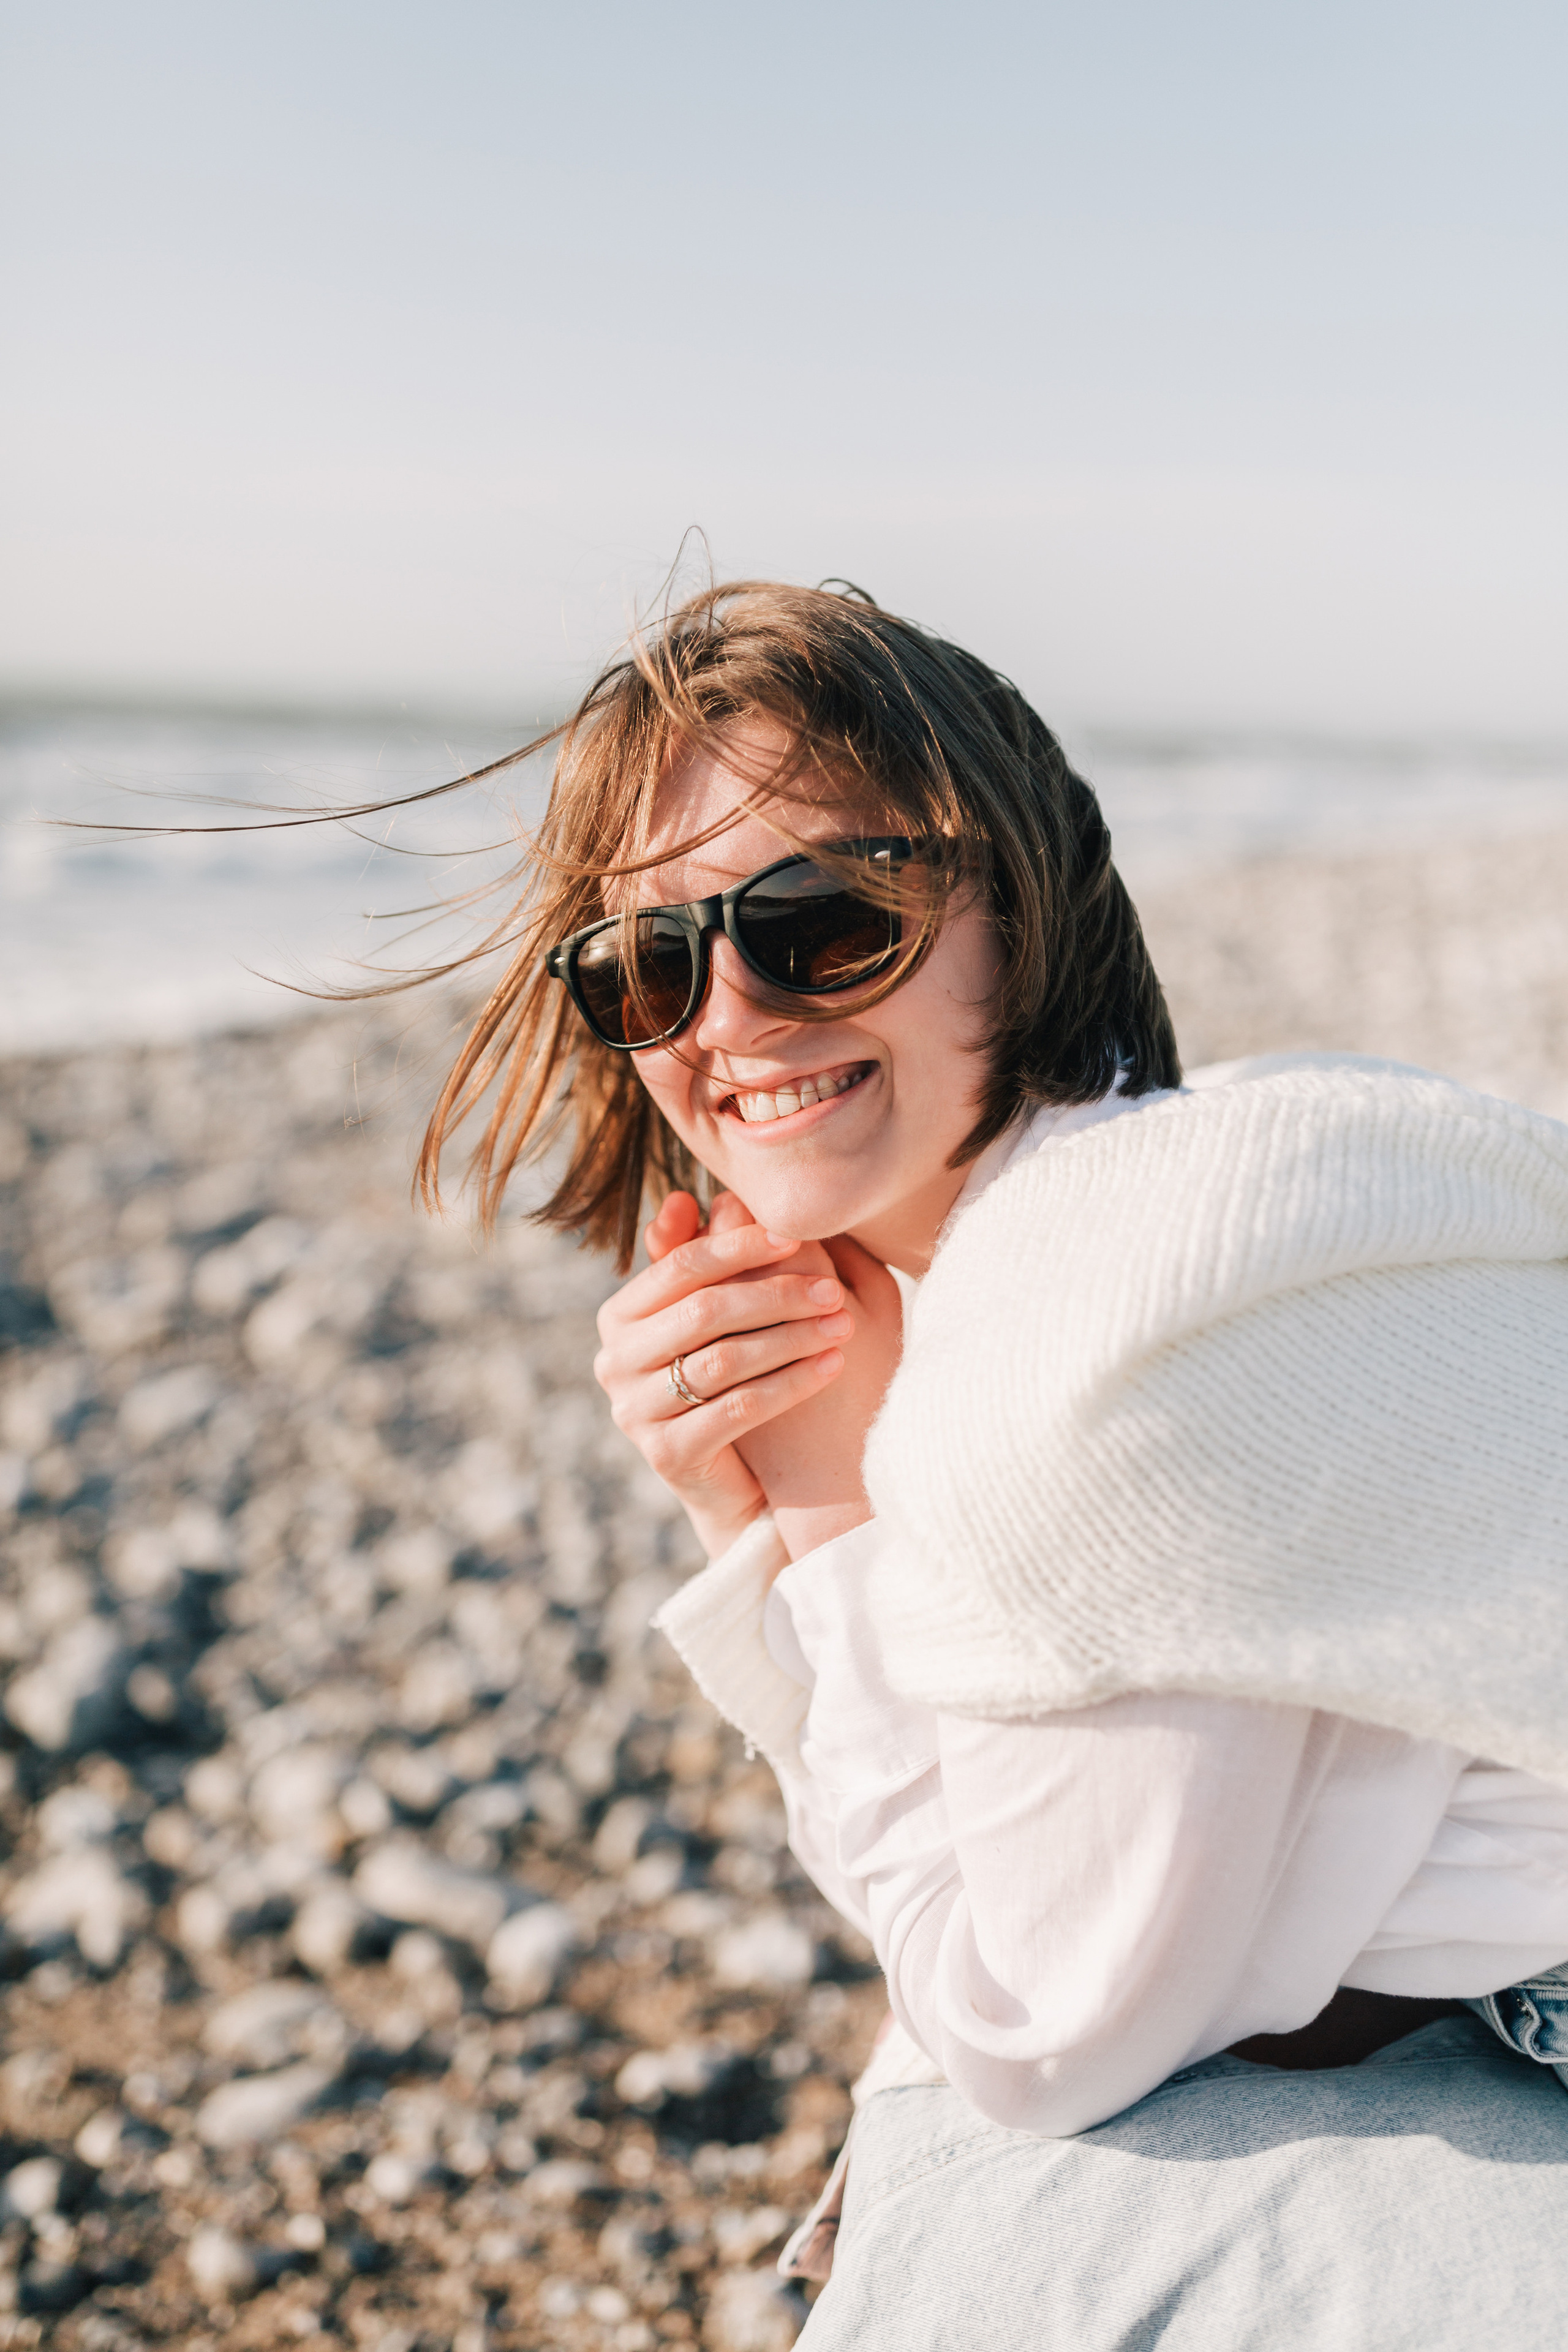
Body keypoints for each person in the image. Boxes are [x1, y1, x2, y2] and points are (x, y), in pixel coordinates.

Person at [420, 579, 1568, 2345]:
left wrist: (819, 1514)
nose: (726, 1016)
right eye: (647, 962)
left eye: (818, 922)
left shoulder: (1076, 1350)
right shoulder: (1194, 1175)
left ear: (1013, 918)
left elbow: (1033, 2029)